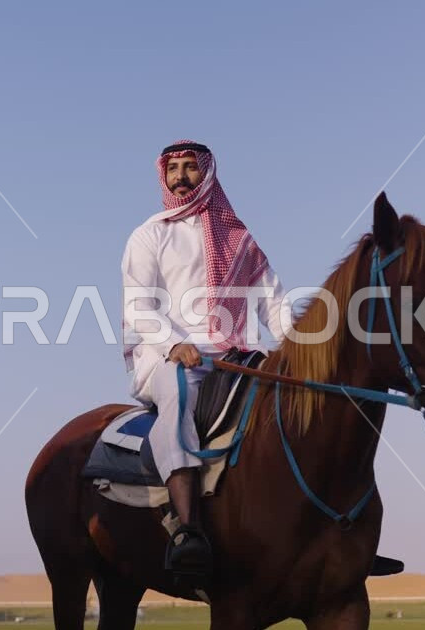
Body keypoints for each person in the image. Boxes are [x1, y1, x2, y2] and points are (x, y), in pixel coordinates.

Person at [121, 140, 293, 578]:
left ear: (208, 174)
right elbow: (139, 307)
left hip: (234, 353)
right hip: (167, 355)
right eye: (173, 168)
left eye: (190, 168)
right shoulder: (150, 234)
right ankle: (187, 528)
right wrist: (173, 344)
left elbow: (272, 301)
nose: (181, 177)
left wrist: (299, 350)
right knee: (181, 395)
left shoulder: (239, 239)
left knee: (298, 405)